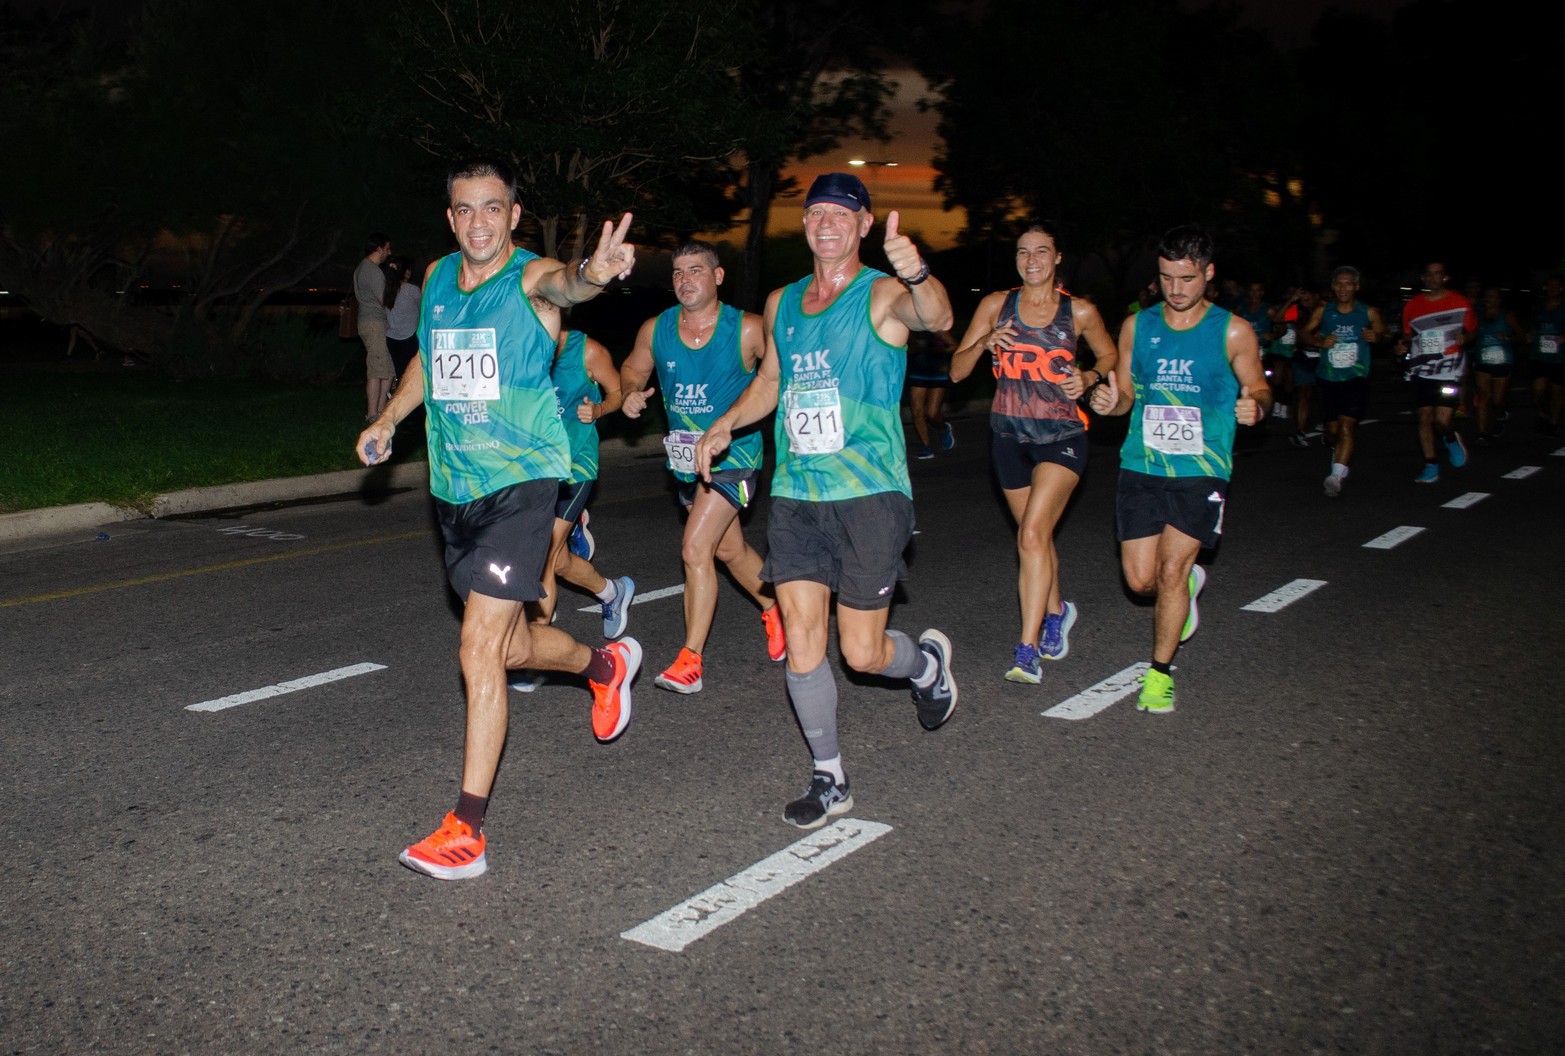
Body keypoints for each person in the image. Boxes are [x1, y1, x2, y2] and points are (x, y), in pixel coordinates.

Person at [355, 159, 642, 880]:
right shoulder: (438, 278)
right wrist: (388, 419)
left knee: (477, 649)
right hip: (455, 492)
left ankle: (467, 831)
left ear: (514, 215)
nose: (478, 221)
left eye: (492, 208)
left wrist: (595, 272)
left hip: (521, 484)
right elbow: (430, 360)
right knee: (510, 649)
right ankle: (605, 664)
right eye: (464, 209)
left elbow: (567, 283)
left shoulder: (530, 277)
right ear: (449, 218)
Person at [693, 172, 958, 828]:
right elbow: (772, 380)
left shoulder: (883, 294)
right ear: (806, 223)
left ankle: (924, 666)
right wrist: (727, 422)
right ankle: (829, 776)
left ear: (863, 225)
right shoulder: (782, 303)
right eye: (816, 213)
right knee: (803, 635)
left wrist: (917, 272)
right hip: (797, 494)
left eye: (842, 213)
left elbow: (938, 318)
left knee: (862, 654)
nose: (827, 223)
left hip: (869, 493)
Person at [1088, 225, 1269, 713]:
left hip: (1202, 468)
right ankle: (1186, 588)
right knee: (1140, 581)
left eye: (1187, 278)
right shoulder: (1137, 326)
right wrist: (1109, 404)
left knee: (1170, 569)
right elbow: (1125, 394)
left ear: (1208, 274)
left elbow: (1259, 387)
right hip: (1142, 464)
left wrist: (1257, 406)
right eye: (1167, 277)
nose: (1175, 288)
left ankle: (1159, 675)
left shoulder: (1233, 330)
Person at [949, 222, 1118, 683]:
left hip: (1062, 435)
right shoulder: (995, 306)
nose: (1032, 261)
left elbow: (1109, 356)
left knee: (1030, 536)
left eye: (1041, 251)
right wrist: (984, 342)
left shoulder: (1078, 311)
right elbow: (957, 372)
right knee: (1035, 538)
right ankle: (1058, 610)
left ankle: (1027, 650)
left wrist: (1089, 377)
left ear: (1057, 258)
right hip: (1008, 438)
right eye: (1024, 252)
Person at [618, 240, 785, 694]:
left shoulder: (748, 329)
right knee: (728, 550)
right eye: (677, 272)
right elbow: (633, 369)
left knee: (694, 549)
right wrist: (630, 392)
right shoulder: (656, 329)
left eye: (695, 270)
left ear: (718, 277)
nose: (684, 279)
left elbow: (777, 380)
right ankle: (776, 608)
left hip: (735, 457)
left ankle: (690, 660)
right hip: (685, 461)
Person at [509, 326, 636, 693]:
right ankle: (612, 592)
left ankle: (533, 652)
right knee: (560, 559)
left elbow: (618, 392)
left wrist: (598, 409)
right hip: (535, 468)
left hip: (576, 465)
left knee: (544, 556)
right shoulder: (521, 345)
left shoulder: (587, 352)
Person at [1304, 266, 1385, 496]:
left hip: (1355, 377)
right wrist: (1319, 343)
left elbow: (1383, 334)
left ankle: (1336, 476)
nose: (1343, 288)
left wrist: (1376, 337)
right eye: (1339, 283)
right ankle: (1336, 451)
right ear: (1333, 286)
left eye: (1348, 283)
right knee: (1332, 432)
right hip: (1328, 377)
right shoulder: (1324, 311)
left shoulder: (1368, 312)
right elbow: (1304, 333)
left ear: (1356, 287)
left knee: (1347, 426)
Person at [1396, 261, 1475, 482]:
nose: (1433, 278)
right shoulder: (1412, 305)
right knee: (1424, 417)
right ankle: (1430, 465)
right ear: (1423, 278)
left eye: (1437, 274)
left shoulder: (1460, 302)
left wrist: (1465, 337)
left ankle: (1450, 439)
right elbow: (1407, 335)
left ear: (1445, 277)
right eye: (1428, 274)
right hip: (1422, 369)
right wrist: (1402, 345)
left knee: (1442, 420)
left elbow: (1472, 331)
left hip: (1450, 369)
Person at [1472, 286, 1522, 443]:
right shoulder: (1478, 316)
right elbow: (1471, 334)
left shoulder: (1507, 316)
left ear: (1498, 300)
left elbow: (1521, 336)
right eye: (1487, 296)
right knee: (1483, 396)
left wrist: (1507, 337)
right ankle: (1482, 433)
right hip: (1482, 360)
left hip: (1502, 361)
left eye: (1493, 296)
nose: (1489, 299)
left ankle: (1501, 415)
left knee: (1497, 401)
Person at [354, 232, 394, 421]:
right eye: (387, 248)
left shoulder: (362, 267)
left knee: (386, 368)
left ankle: (380, 412)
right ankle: (372, 414)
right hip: (374, 323)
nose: (389, 252)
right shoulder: (372, 271)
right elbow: (383, 300)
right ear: (379, 248)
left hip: (368, 322)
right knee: (377, 369)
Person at [907, 326, 958, 459]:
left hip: (937, 372)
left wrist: (940, 350)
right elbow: (905, 348)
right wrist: (913, 349)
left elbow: (954, 346)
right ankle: (926, 447)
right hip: (918, 372)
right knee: (917, 412)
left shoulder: (937, 329)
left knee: (932, 413)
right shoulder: (911, 329)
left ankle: (943, 428)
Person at [1528, 274, 1565, 435]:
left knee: (1557, 390)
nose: (1553, 288)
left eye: (1556, 285)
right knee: (1539, 389)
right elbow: (1532, 326)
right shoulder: (1538, 307)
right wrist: (1530, 335)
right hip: (1539, 354)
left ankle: (1554, 422)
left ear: (1561, 288)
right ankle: (1541, 412)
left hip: (1560, 356)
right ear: (1545, 288)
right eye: (1550, 285)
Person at [383, 255, 422, 385]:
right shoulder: (412, 290)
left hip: (391, 338)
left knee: (401, 376)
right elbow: (422, 308)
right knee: (414, 376)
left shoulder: (387, 290)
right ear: (406, 272)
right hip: (409, 338)